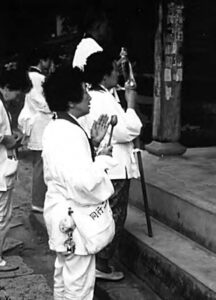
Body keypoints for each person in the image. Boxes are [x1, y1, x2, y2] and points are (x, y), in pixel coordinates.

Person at [42, 66, 116, 300]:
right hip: (73, 219)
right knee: (79, 286)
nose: (89, 96)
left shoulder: (56, 126)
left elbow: (68, 170)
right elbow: (82, 183)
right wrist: (104, 158)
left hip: (59, 213)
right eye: (84, 90)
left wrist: (92, 144)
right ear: (71, 101)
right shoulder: (70, 133)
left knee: (63, 276)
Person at [80, 50, 143, 280]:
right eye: (115, 70)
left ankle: (99, 259)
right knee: (114, 214)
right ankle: (102, 263)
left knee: (106, 212)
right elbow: (128, 130)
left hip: (107, 162)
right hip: (114, 164)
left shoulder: (97, 95)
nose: (118, 73)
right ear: (105, 76)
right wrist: (132, 104)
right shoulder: (103, 99)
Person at [0, 66, 31, 271]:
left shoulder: (3, 104)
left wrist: (13, 134)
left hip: (5, 164)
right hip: (1, 167)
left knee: (4, 214)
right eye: (16, 93)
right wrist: (7, 138)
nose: (15, 98)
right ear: (7, 88)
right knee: (2, 215)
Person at [18, 47, 53, 213]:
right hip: (41, 123)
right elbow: (41, 101)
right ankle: (38, 202)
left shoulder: (33, 76)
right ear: (42, 60)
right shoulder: (37, 77)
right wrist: (55, 107)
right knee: (41, 163)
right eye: (49, 61)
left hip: (39, 122)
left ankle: (39, 200)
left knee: (40, 163)